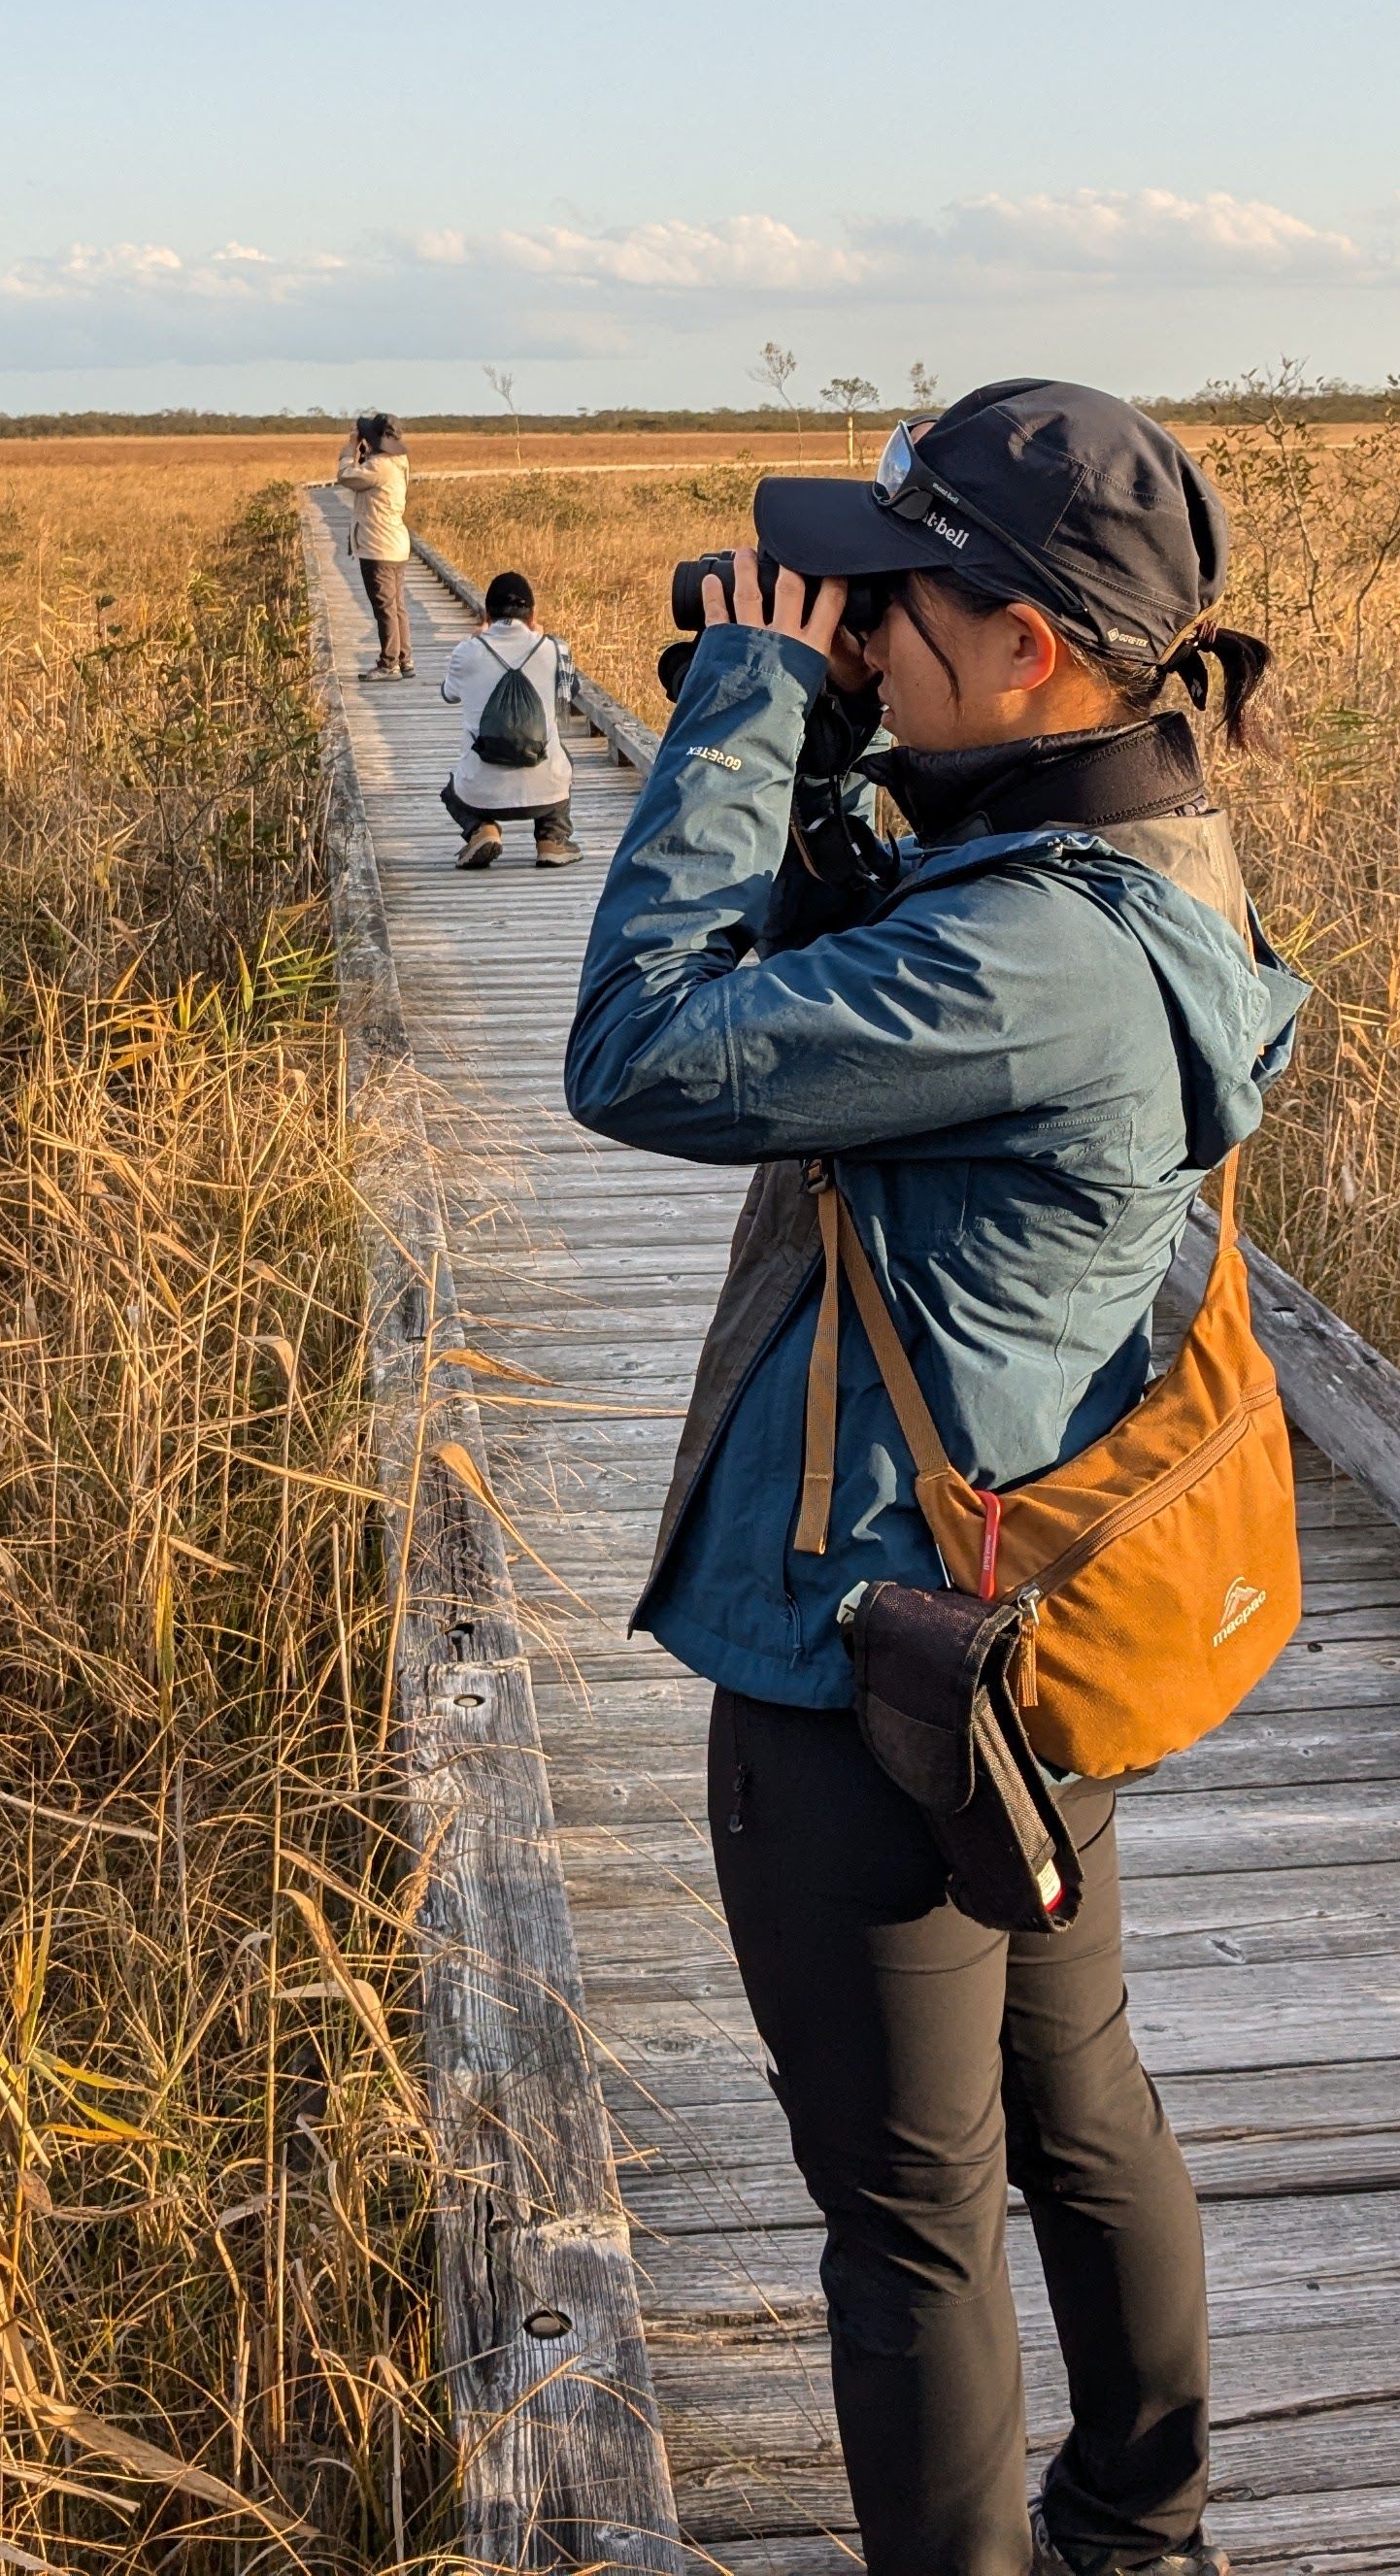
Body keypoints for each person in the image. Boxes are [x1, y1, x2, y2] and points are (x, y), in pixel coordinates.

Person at [568, 382, 1293, 2576]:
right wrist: (806, 732)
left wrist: (746, 706)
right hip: (1008, 1649)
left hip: (859, 1663)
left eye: (894, 604)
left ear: (1037, 651)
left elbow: (645, 1047)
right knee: (1082, 2117)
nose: (860, 630)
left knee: (908, 2225)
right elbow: (849, 927)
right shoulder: (1118, 872)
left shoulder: (1029, 954)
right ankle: (1137, 2525)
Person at [436, 569, 579, 867]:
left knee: (451, 788)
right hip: (547, 789)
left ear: (486, 613)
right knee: (560, 753)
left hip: (480, 791)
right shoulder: (555, 649)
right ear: (533, 612)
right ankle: (551, 839)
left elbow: (449, 694)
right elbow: (569, 693)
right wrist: (540, 640)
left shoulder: (467, 652)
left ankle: (482, 829)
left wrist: (474, 643)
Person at [335, 412, 414, 677]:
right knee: (396, 605)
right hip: (396, 543)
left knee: (384, 607)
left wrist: (350, 447)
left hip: (377, 544)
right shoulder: (398, 461)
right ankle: (404, 659)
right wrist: (365, 449)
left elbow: (346, 475)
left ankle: (388, 663)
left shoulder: (379, 467)